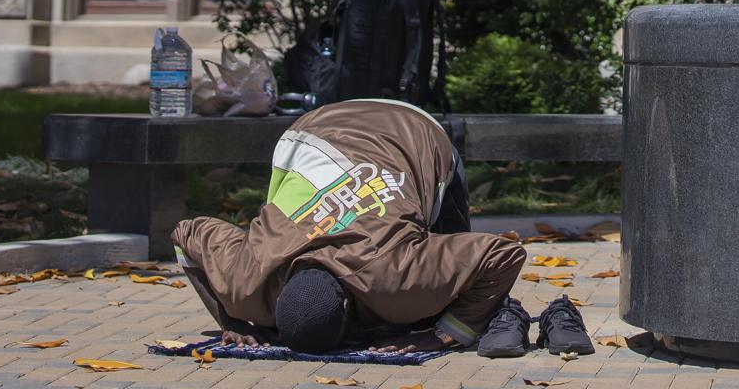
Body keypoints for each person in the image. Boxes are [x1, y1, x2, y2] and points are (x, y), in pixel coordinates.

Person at [171, 98, 588, 356]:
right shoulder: (246, 283)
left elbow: (502, 255)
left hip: (415, 128)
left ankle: (497, 312)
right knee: (432, 290)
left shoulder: (394, 277)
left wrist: (445, 334)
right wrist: (233, 319)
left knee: (455, 289)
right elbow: (186, 235)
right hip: (315, 128)